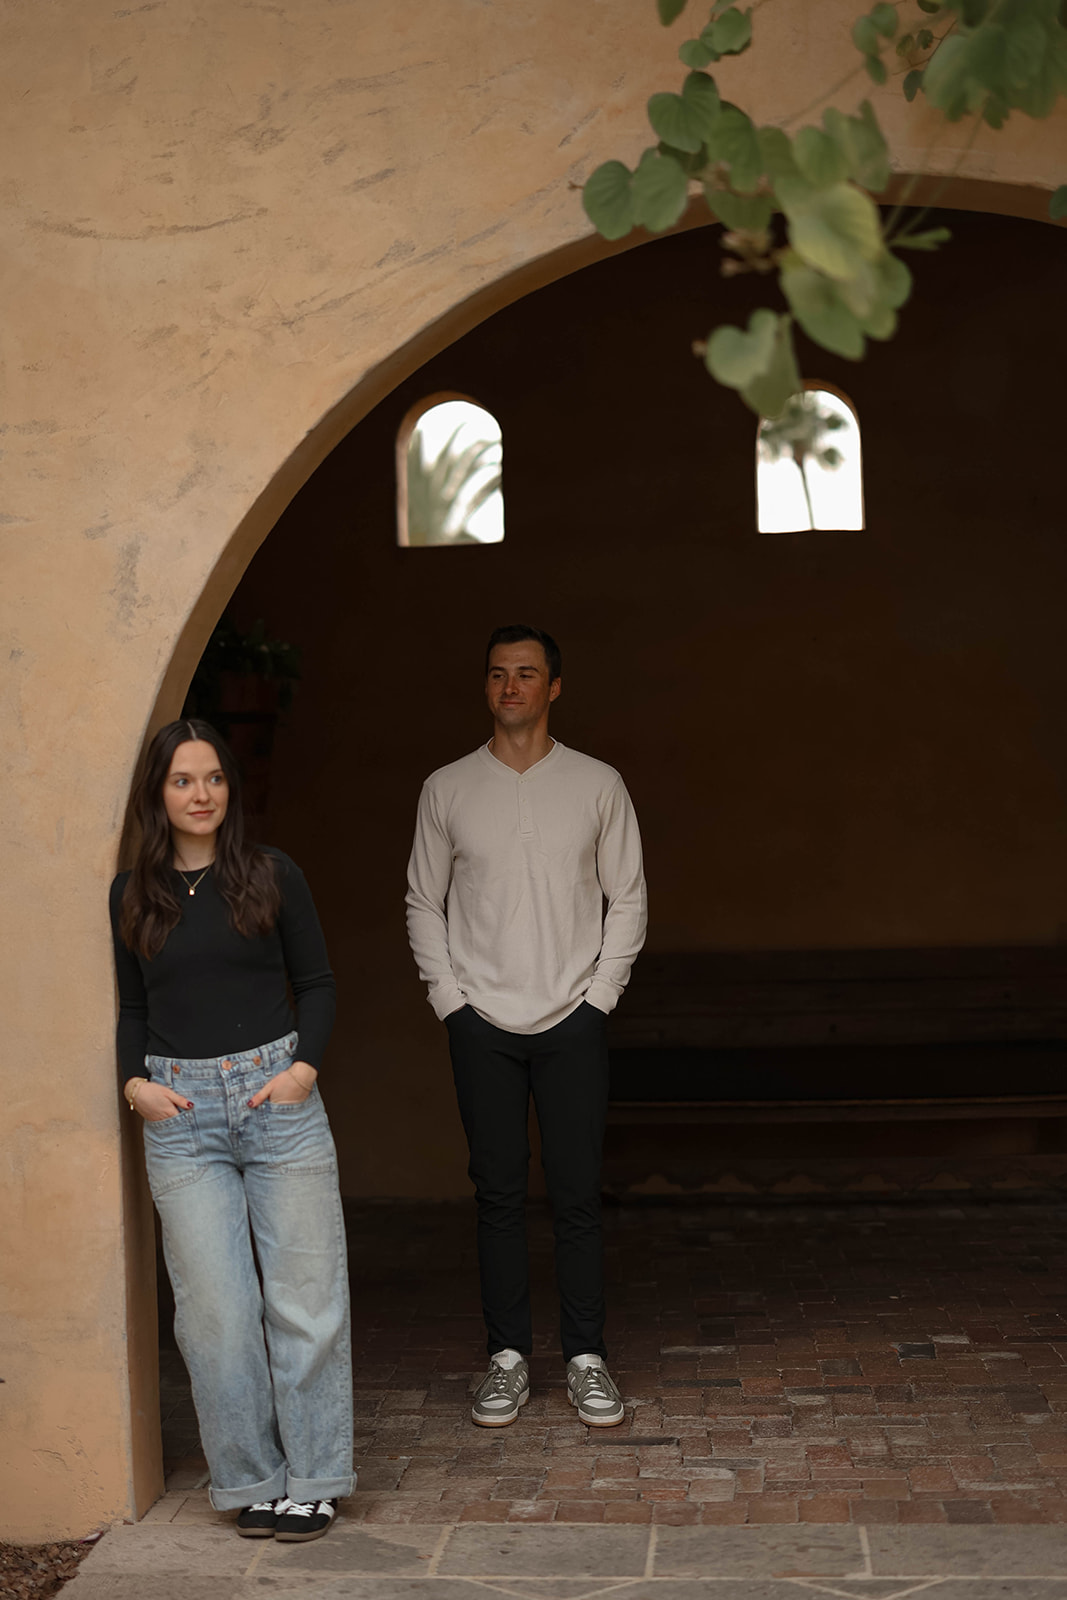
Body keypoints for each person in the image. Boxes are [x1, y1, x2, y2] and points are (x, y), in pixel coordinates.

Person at [110, 718, 353, 1541]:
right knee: (213, 1310)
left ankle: (314, 1477)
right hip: (178, 1117)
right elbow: (133, 1006)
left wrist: (301, 1073)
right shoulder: (131, 894)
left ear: (229, 788)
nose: (201, 794)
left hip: (273, 1102)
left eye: (213, 778)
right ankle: (250, 1478)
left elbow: (316, 982)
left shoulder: (271, 874)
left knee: (305, 1301)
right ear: (159, 793)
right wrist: (134, 1083)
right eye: (183, 781)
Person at [405, 625, 647, 1428]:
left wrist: (599, 998)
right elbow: (421, 899)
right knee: (497, 1196)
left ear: (553, 688)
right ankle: (506, 1358)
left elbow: (629, 898)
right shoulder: (446, 787)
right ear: (485, 688)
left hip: (573, 1018)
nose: (511, 687)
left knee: (576, 1196)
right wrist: (450, 1001)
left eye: (527, 674)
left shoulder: (597, 784)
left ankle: (585, 1358)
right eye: (498, 675)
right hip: (482, 1023)